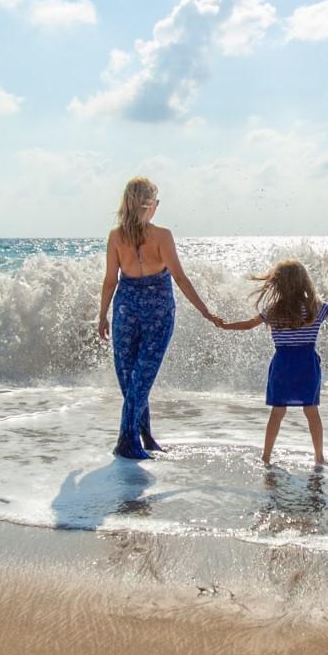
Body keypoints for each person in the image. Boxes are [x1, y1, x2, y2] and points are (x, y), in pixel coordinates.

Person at [216, 259, 328, 466]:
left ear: (277, 284)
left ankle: (266, 456)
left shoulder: (273, 310)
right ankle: (319, 457)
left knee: (277, 412)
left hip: (282, 365)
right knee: (311, 411)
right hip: (306, 365)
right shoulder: (315, 307)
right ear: (304, 282)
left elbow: (249, 325)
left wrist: (225, 326)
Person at [98, 177, 217, 460]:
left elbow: (110, 281)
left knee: (134, 378)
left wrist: (102, 314)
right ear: (149, 205)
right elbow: (179, 276)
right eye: (157, 201)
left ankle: (144, 436)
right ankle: (127, 440)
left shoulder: (116, 236)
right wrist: (205, 310)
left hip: (126, 309)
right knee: (138, 378)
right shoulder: (162, 236)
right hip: (158, 311)